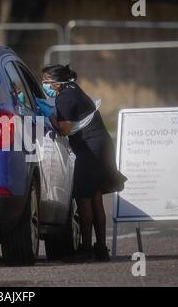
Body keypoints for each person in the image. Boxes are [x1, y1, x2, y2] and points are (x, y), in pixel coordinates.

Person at [41, 64, 127, 261]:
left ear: (56, 82)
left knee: (83, 198)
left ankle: (86, 248)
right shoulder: (73, 89)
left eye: (46, 81)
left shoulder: (65, 97)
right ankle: (101, 249)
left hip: (90, 150)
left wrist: (48, 114)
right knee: (95, 197)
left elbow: (63, 129)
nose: (44, 85)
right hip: (100, 146)